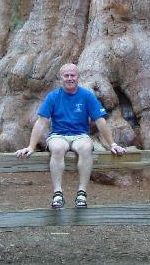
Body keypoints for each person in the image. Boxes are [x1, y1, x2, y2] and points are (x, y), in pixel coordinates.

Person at [15, 63, 126, 208]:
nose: (69, 78)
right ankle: (57, 193)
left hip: (80, 135)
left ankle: (82, 193)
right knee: (58, 148)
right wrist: (31, 146)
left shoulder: (86, 96)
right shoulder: (53, 97)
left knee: (86, 147)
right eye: (66, 75)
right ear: (61, 78)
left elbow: (100, 121)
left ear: (78, 77)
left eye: (72, 75)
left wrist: (112, 144)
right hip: (58, 135)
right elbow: (41, 122)